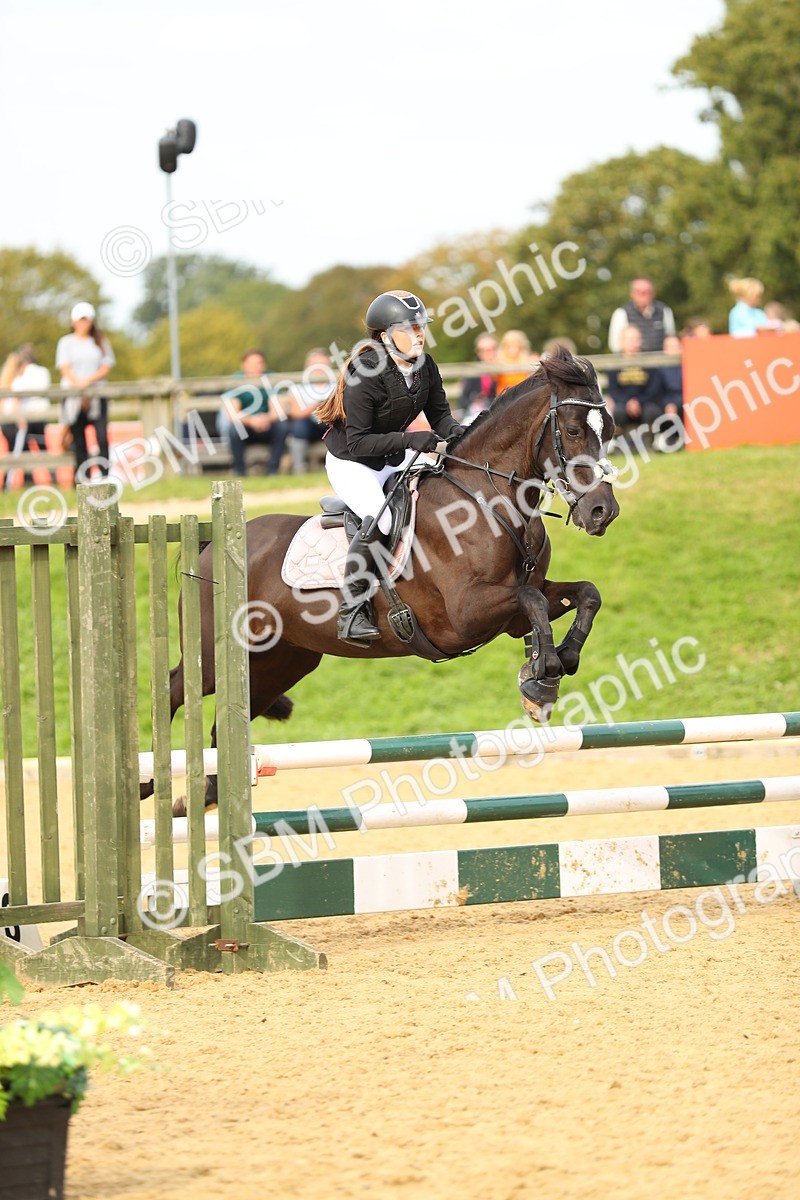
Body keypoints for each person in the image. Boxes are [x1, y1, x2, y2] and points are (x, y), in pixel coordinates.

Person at [316, 290, 464, 644]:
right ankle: (352, 611)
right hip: (352, 463)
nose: (418, 334)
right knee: (381, 518)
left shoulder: (425, 366)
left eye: (421, 326)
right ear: (384, 336)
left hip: (391, 456)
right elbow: (358, 442)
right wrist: (410, 441)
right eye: (409, 327)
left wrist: (467, 438)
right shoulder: (364, 373)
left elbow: (442, 418)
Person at [56, 302, 114, 477]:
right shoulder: (66, 342)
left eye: (86, 320)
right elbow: (65, 368)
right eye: (80, 320)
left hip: (96, 396)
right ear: (74, 322)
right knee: (79, 440)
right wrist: (79, 385)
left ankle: (105, 478)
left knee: (102, 438)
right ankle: (82, 479)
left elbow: (106, 366)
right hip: (73, 397)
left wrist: (87, 382)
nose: (83, 324)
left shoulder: (100, 341)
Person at [223, 349, 290, 476]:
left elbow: (277, 410)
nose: (255, 367)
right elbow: (232, 413)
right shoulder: (235, 381)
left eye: (258, 363)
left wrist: (266, 419)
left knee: (283, 426)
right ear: (243, 365)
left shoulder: (271, 379)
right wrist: (251, 421)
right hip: (246, 427)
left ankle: (272, 471)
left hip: (268, 425)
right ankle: (240, 471)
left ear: (264, 365)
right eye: (251, 364)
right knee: (234, 429)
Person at [605, 325, 665, 436]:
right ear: (621, 342)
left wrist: (639, 402)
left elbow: (654, 388)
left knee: (651, 411)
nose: (632, 342)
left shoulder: (649, 361)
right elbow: (613, 390)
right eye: (628, 339)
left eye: (635, 338)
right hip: (623, 404)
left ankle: (648, 442)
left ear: (640, 340)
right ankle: (620, 445)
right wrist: (628, 403)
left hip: (646, 402)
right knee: (618, 412)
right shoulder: (614, 362)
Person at [608, 278, 676, 352]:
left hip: (660, 360)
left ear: (653, 293)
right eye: (639, 292)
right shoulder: (621, 313)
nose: (643, 294)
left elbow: (671, 339)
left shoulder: (664, 311)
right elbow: (615, 345)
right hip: (632, 361)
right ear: (632, 294)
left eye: (647, 291)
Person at [458, 333, 497, 423]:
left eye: (491, 349)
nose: (488, 354)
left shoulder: (505, 367)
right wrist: (474, 402)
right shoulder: (472, 372)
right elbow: (463, 399)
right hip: (478, 414)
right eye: (483, 350)